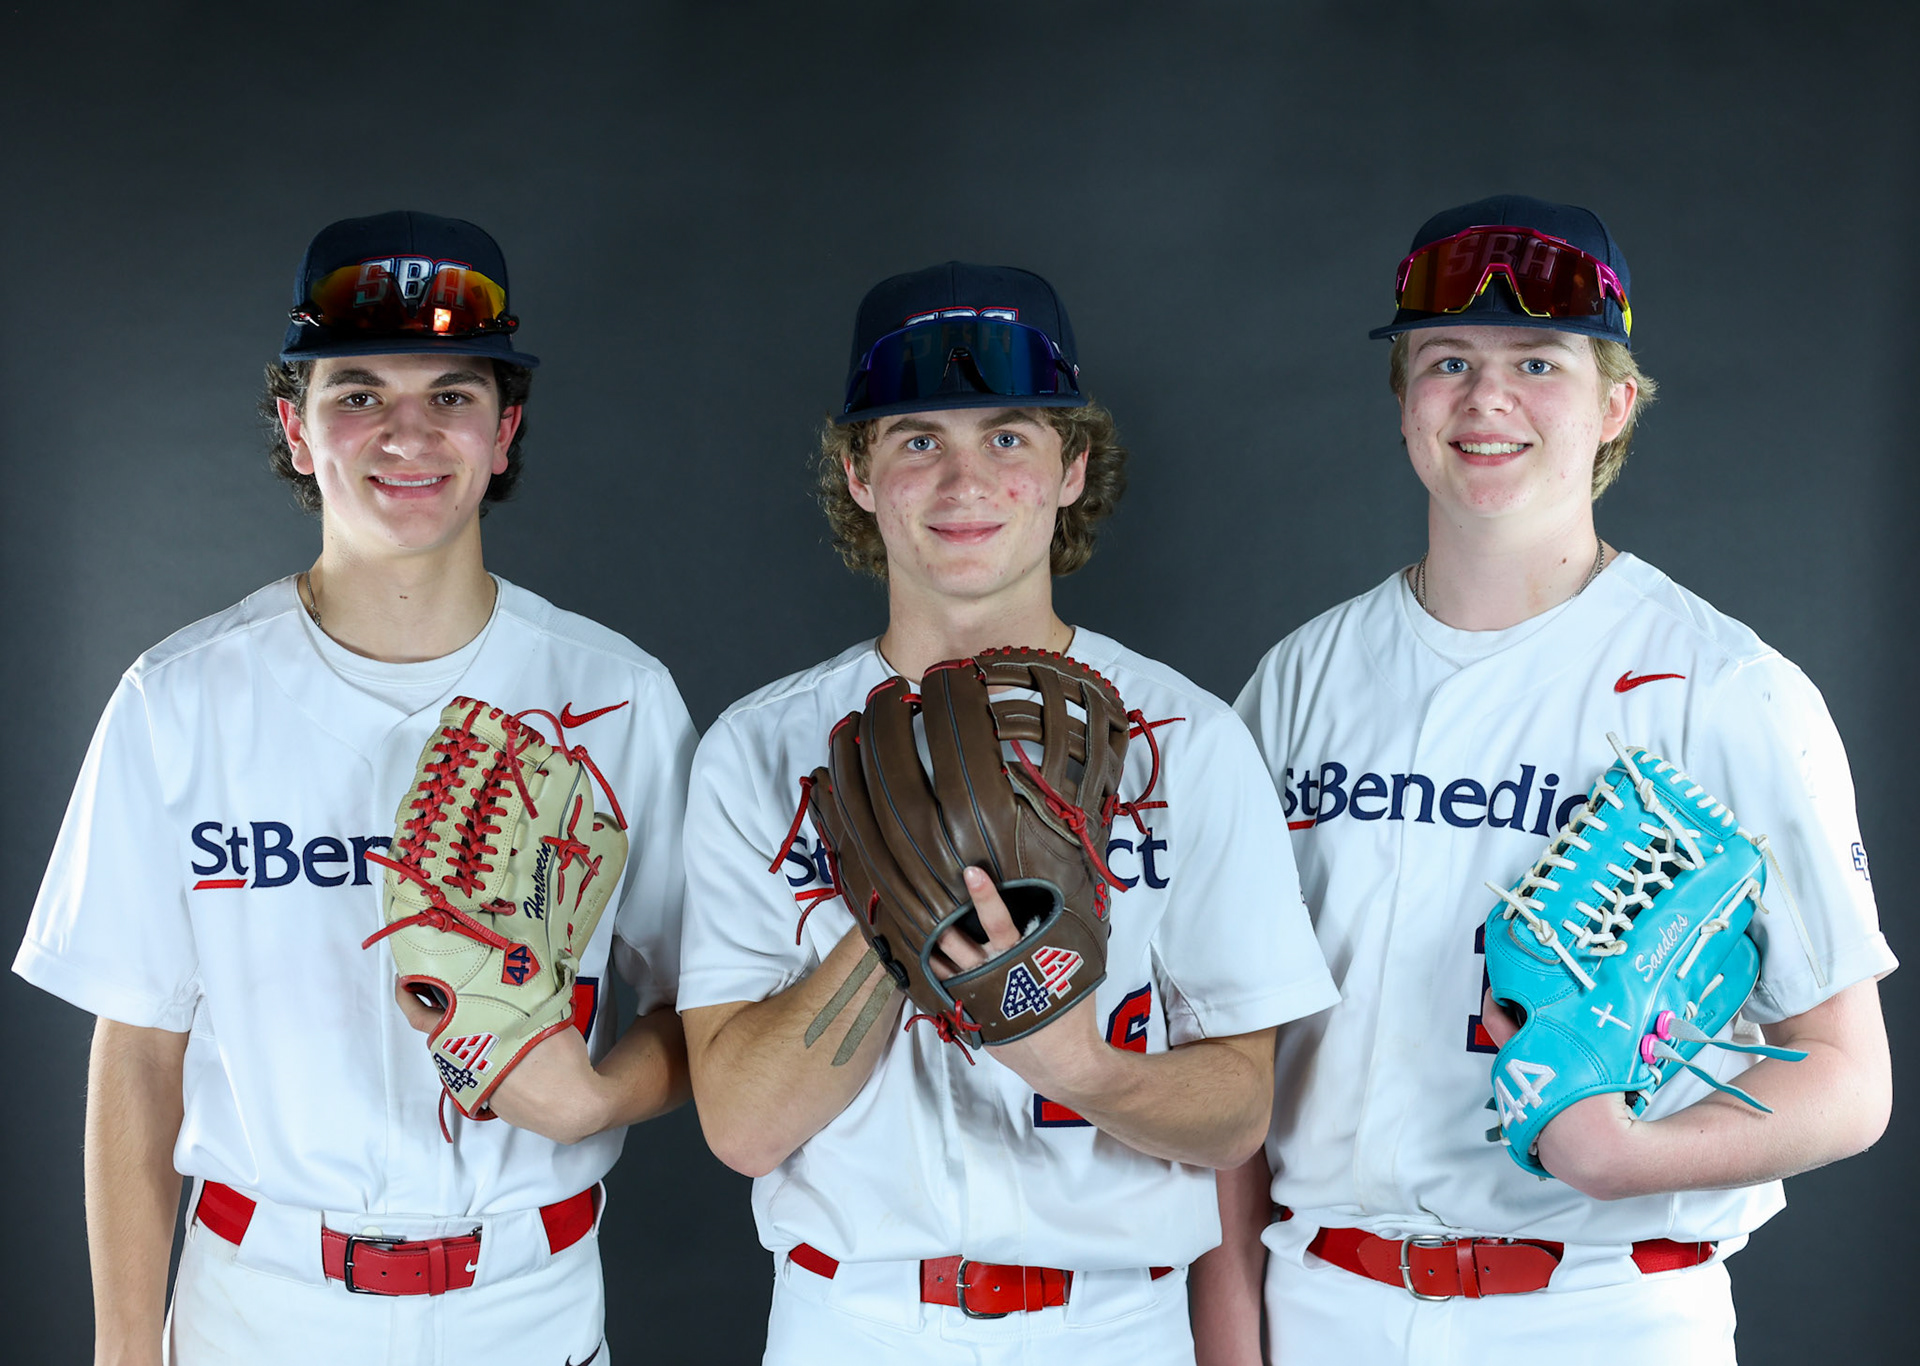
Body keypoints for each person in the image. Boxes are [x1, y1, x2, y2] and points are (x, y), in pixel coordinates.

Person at [1197, 195, 1896, 1365]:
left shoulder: (1724, 687)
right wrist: (1229, 1335)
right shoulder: (1301, 679)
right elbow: (1233, 1044)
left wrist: (1628, 1155)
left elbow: (1849, 1082)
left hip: (1603, 1307)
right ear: (1405, 403)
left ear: (1616, 404)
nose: (1487, 399)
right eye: (1447, 360)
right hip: (1323, 1301)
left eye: (1539, 360)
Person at [14, 211, 697, 1366]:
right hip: (259, 1303)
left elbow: (712, 1013)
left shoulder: (617, 696)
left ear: (505, 427)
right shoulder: (178, 698)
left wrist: (596, 1098)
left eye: (453, 394)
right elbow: (137, 1053)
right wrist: (126, 1350)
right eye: (359, 393)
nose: (408, 433)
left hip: (524, 1301)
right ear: (295, 424)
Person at [675, 261, 1337, 1363]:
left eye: (1011, 439)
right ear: (857, 471)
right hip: (853, 1320)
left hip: (1113, 1322)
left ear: (1074, 467)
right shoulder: (762, 745)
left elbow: (1237, 1114)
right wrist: (908, 893)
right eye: (918, 440)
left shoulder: (1189, 737)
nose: (963, 482)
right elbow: (743, 1126)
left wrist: (1082, 1067)